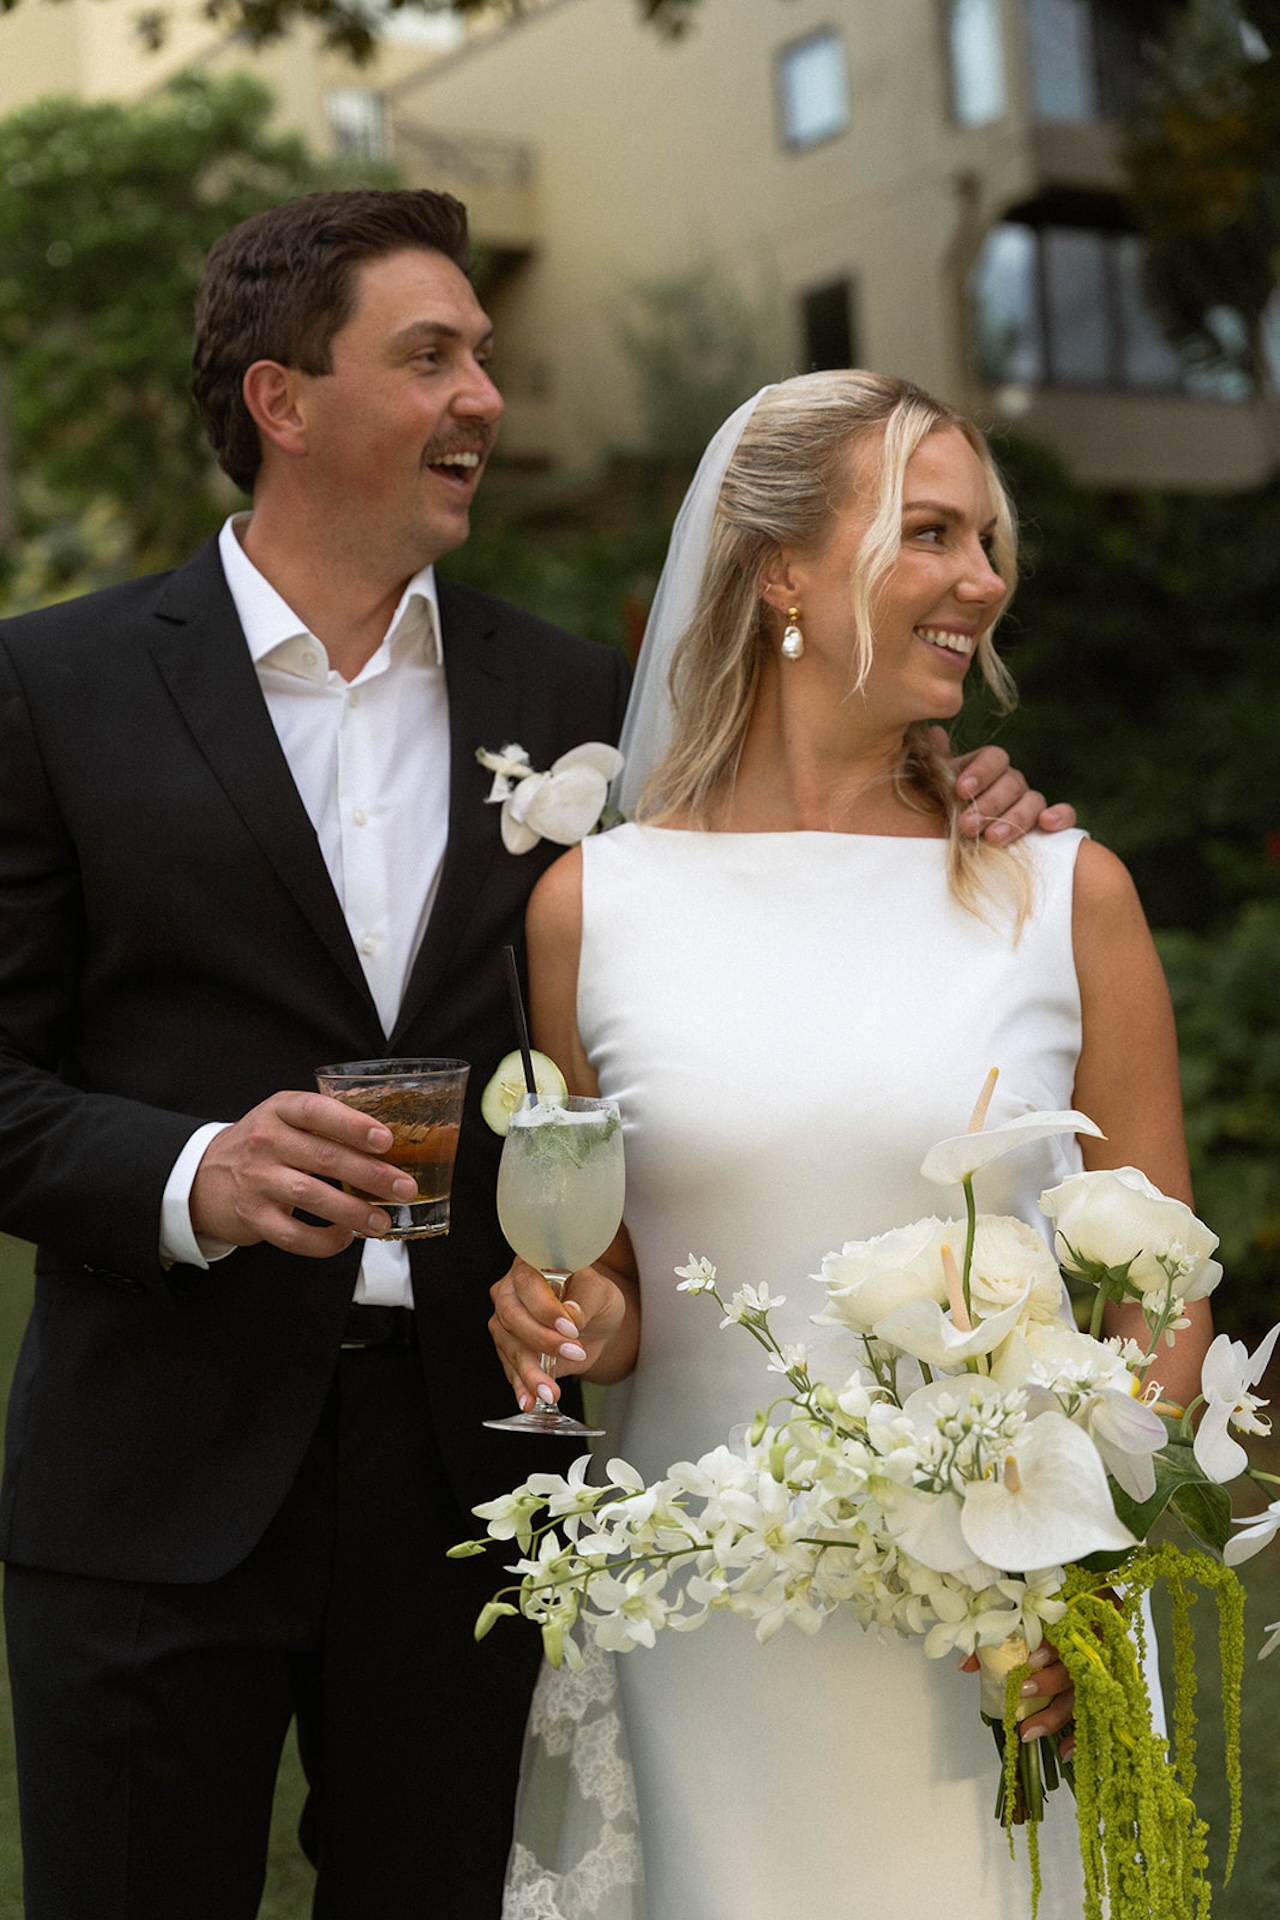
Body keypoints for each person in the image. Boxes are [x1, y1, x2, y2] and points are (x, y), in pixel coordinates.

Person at [0, 200, 1057, 1919]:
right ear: (282, 399)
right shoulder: (57, 685)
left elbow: (764, 906)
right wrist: (193, 1172)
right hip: (152, 1467)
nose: (486, 392)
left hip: (481, 1482)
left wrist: (966, 798)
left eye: (484, 352)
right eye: (432, 356)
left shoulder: (573, 698)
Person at [488, 373, 1213, 1919]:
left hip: (995, 1639)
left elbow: (1165, 1292)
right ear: (782, 572)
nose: (985, 578)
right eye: (929, 531)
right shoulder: (593, 911)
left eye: (988, 539)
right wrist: (571, 1317)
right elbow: (605, 1294)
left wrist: (1087, 1588)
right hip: (701, 1627)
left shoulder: (1064, 895)